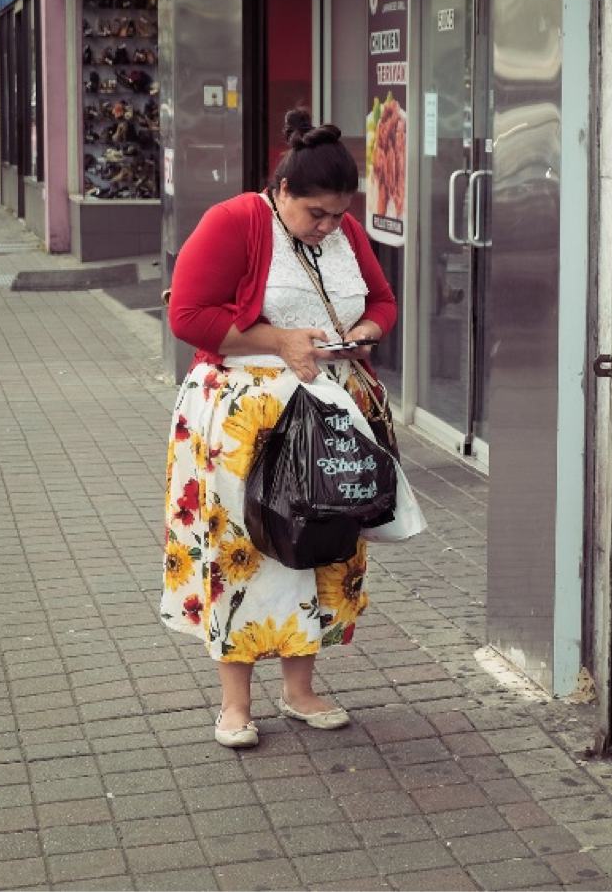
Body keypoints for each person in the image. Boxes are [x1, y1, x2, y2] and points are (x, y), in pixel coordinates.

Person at [161, 109, 398, 747]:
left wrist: (363, 335)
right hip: (244, 420)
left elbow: (381, 301)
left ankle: (300, 688)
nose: (328, 227)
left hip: (326, 413)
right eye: (316, 214)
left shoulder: (344, 231)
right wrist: (277, 338)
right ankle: (234, 704)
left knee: (318, 543)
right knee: (243, 550)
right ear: (284, 191)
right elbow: (187, 314)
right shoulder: (236, 221)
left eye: (337, 215)